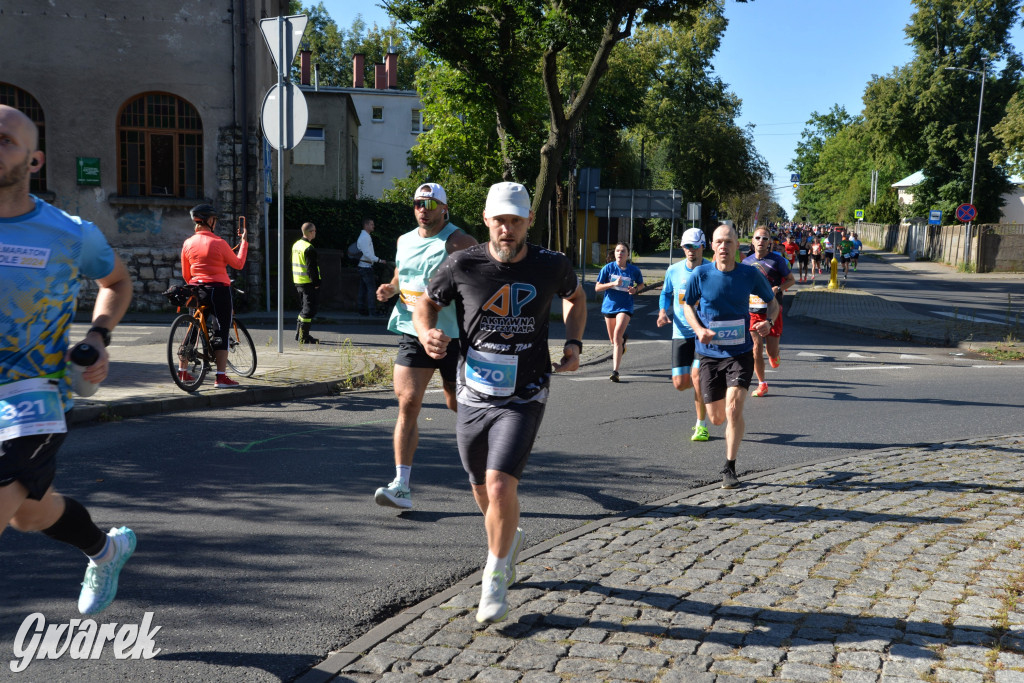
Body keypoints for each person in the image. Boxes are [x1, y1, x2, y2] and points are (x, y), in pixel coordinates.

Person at [414, 181, 587, 624]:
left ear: (528, 221)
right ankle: (509, 540)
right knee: (479, 486)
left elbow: (576, 298)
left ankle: (494, 575)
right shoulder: (461, 264)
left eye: (515, 220)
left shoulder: (552, 265)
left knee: (498, 485)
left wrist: (573, 343)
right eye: (499, 220)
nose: (507, 229)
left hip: (525, 392)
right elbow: (425, 303)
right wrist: (425, 331)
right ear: (487, 221)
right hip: (473, 393)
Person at [0, 104, 136, 614]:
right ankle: (107, 549)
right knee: (29, 516)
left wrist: (99, 336)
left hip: (32, 399)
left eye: (4, 140)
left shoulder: (69, 232)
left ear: (34, 161)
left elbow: (116, 282)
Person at [373, 183, 476, 509]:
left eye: (430, 204)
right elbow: (402, 273)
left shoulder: (458, 241)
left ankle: (491, 456)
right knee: (408, 404)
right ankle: (401, 485)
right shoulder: (404, 240)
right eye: (418, 203)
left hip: (452, 336)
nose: (423, 209)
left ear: (444, 208)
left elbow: (484, 280)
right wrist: (391, 288)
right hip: (412, 332)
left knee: (456, 404)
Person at [683, 224, 778, 490]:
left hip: (740, 352)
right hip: (709, 355)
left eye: (729, 242)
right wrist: (699, 329)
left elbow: (773, 302)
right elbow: (687, 305)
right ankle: (723, 419)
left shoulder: (749, 274)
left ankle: (730, 467)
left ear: (738, 245)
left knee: (734, 409)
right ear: (712, 246)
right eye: (719, 242)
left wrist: (768, 322)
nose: (724, 246)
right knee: (716, 418)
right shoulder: (700, 275)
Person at [181, 203, 249, 388]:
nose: (216, 223)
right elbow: (238, 264)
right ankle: (221, 377)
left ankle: (182, 371)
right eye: (215, 220)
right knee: (221, 330)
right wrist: (243, 243)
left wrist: (196, 283)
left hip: (196, 289)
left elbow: (186, 274)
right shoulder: (219, 243)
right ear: (210, 221)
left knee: (193, 327)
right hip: (218, 289)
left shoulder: (187, 243)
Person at [657, 228, 711, 442]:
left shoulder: (712, 269)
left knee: (697, 379)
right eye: (687, 247)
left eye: (695, 246)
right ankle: (706, 385)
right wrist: (662, 311)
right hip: (680, 331)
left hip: (703, 333)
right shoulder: (674, 270)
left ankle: (701, 425)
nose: (690, 251)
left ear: (703, 247)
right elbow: (666, 293)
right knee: (680, 383)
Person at [742, 226, 796, 398]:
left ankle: (775, 355)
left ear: (770, 242)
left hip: (773, 310)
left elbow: (791, 280)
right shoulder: (746, 263)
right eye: (758, 238)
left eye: (765, 239)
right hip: (753, 311)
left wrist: (778, 288)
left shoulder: (777, 260)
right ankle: (761, 383)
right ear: (752, 241)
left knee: (771, 352)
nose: (761, 241)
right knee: (756, 348)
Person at [595, 242, 643, 382]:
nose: (620, 253)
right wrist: (613, 284)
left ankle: (615, 371)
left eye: (623, 251)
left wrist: (635, 290)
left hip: (625, 307)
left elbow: (640, 284)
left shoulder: (633, 270)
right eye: (617, 251)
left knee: (616, 336)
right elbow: (597, 288)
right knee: (614, 340)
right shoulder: (608, 268)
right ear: (614, 254)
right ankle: (622, 342)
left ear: (628, 254)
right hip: (609, 307)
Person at [292, 222, 321, 344]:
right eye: (314, 230)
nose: (315, 232)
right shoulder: (308, 248)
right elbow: (311, 268)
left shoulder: (296, 245)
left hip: (298, 281)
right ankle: (304, 337)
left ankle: (300, 334)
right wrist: (316, 283)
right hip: (308, 283)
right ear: (310, 232)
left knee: (304, 309)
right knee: (308, 310)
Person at [357, 218, 387, 316]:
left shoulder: (365, 236)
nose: (373, 226)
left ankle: (361, 309)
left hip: (363, 266)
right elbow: (367, 253)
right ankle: (372, 311)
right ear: (366, 225)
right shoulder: (365, 237)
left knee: (363, 289)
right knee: (371, 289)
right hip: (366, 266)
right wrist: (379, 260)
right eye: (371, 224)